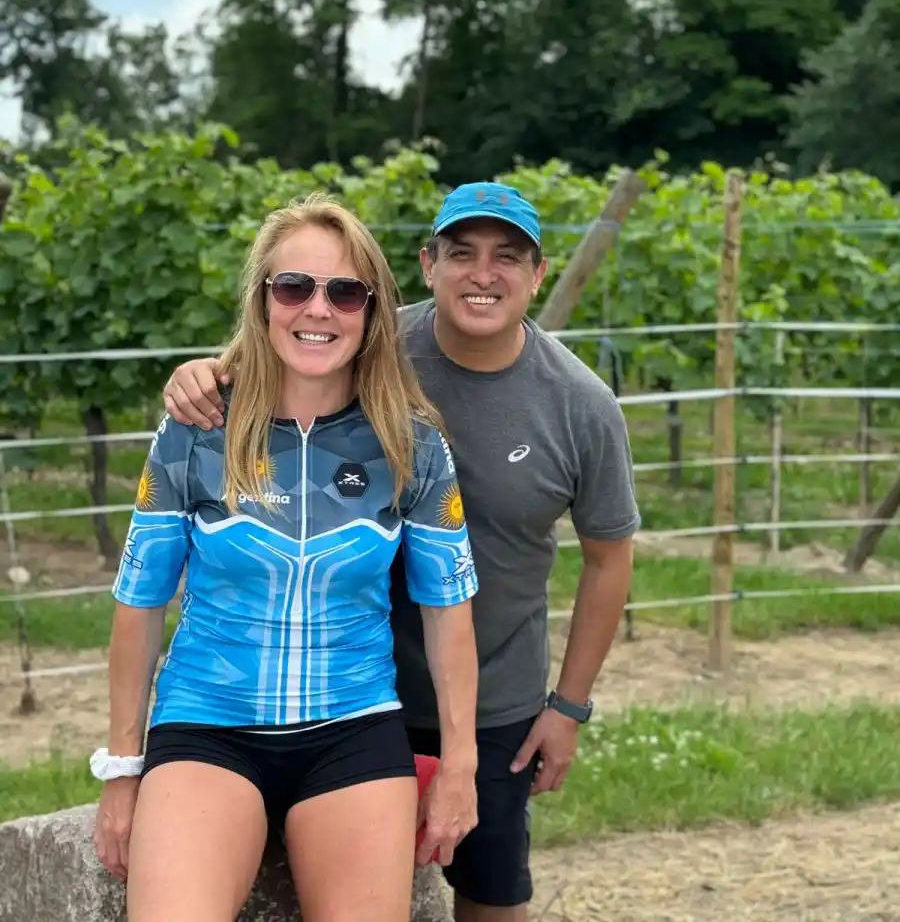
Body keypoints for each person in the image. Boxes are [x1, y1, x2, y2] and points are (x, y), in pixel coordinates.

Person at [162, 181, 640, 922]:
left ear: (538, 274)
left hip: (488, 701)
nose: (484, 274)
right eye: (462, 254)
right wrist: (201, 373)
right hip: (355, 692)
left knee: (488, 895)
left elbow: (610, 559)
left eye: (508, 258)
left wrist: (568, 707)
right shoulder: (370, 339)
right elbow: (274, 348)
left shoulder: (582, 407)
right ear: (427, 264)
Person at [92, 195, 480, 922]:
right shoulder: (197, 427)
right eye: (294, 286)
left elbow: (448, 613)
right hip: (208, 728)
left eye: (345, 291)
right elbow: (139, 604)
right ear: (263, 299)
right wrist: (121, 771)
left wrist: (459, 765)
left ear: (371, 312)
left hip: (354, 729)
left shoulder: (415, 442)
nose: (318, 309)